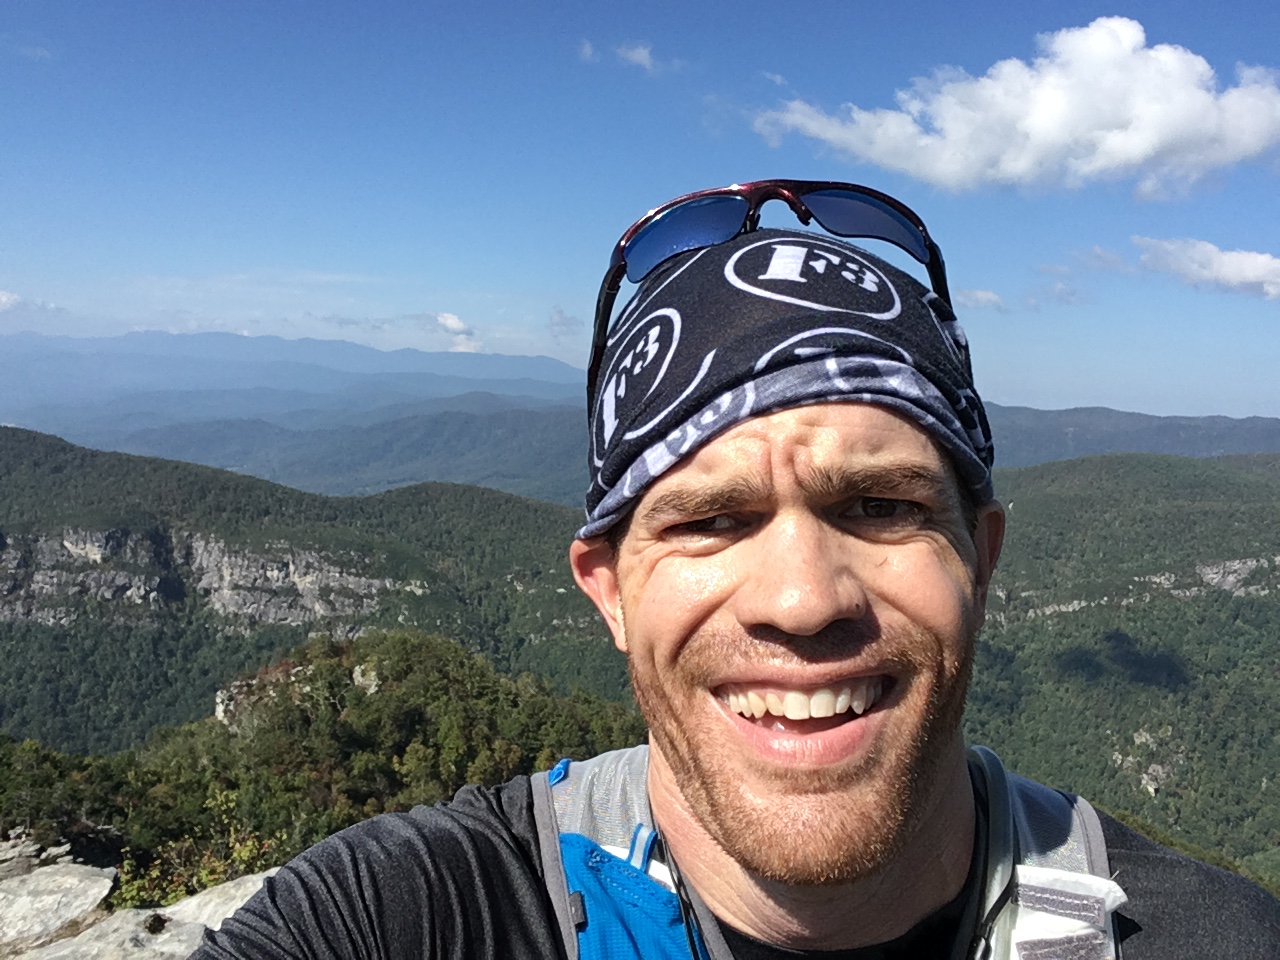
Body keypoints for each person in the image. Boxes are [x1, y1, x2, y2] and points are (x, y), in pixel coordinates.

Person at [193, 181, 1280, 959]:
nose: (801, 601)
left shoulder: (1207, 938)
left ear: (979, 557)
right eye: (711, 520)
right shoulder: (411, 915)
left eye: (882, 506)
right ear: (610, 589)